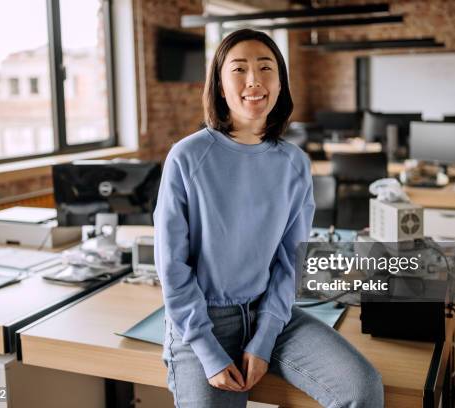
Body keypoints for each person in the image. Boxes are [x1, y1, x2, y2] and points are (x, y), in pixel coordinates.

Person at [154, 28, 383, 408]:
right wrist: (208, 352)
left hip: (272, 316)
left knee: (362, 387)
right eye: (239, 69)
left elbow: (290, 262)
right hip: (202, 324)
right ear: (220, 85)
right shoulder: (187, 156)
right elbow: (172, 267)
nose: (254, 81)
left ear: (280, 83)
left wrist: (263, 340)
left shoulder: (294, 163)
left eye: (266, 68)